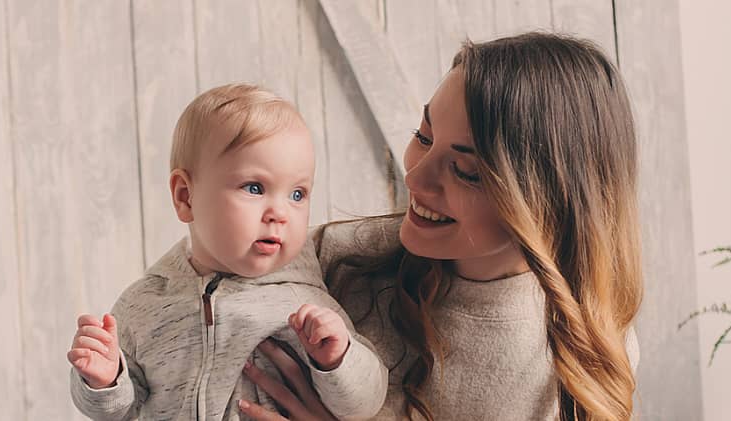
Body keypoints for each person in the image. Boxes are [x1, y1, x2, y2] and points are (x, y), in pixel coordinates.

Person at [237, 32, 643, 421]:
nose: (415, 178)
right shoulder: (332, 260)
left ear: (548, 202)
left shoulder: (589, 354)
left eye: (466, 171)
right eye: (424, 136)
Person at [67, 84, 387, 420]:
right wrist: (104, 381)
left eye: (297, 194)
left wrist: (338, 359)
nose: (280, 213)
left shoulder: (305, 304)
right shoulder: (144, 303)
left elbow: (363, 406)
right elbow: (117, 411)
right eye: (255, 188)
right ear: (186, 196)